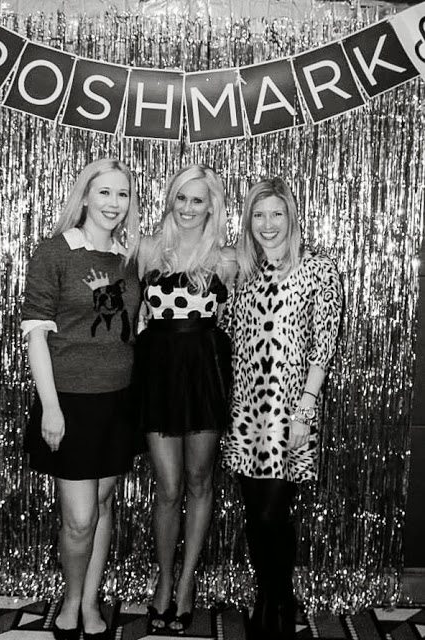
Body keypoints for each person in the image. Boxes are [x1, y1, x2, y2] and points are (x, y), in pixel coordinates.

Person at [21, 158, 141, 640]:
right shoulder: (55, 251)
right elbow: (36, 336)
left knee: (104, 502)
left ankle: (90, 601)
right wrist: (50, 407)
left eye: (123, 194)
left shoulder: (129, 259)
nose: (114, 203)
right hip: (70, 401)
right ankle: (71, 601)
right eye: (105, 192)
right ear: (86, 196)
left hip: (119, 402)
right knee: (79, 518)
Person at [222, 177, 342, 640]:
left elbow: (323, 346)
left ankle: (278, 597)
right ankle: (269, 596)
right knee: (255, 515)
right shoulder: (241, 272)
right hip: (245, 410)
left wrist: (305, 411)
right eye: (258, 215)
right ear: (248, 221)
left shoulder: (317, 268)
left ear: (291, 217)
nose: (268, 224)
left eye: (276, 214)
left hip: (290, 410)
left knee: (274, 513)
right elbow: (226, 335)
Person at [134, 164, 236, 634]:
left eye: (198, 200)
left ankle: (187, 579)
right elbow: (134, 315)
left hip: (204, 376)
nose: (189, 208)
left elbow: (235, 319)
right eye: (181, 198)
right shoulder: (148, 249)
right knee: (168, 486)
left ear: (212, 205)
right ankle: (163, 578)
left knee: (198, 481)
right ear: (170, 200)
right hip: (157, 375)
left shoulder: (227, 258)